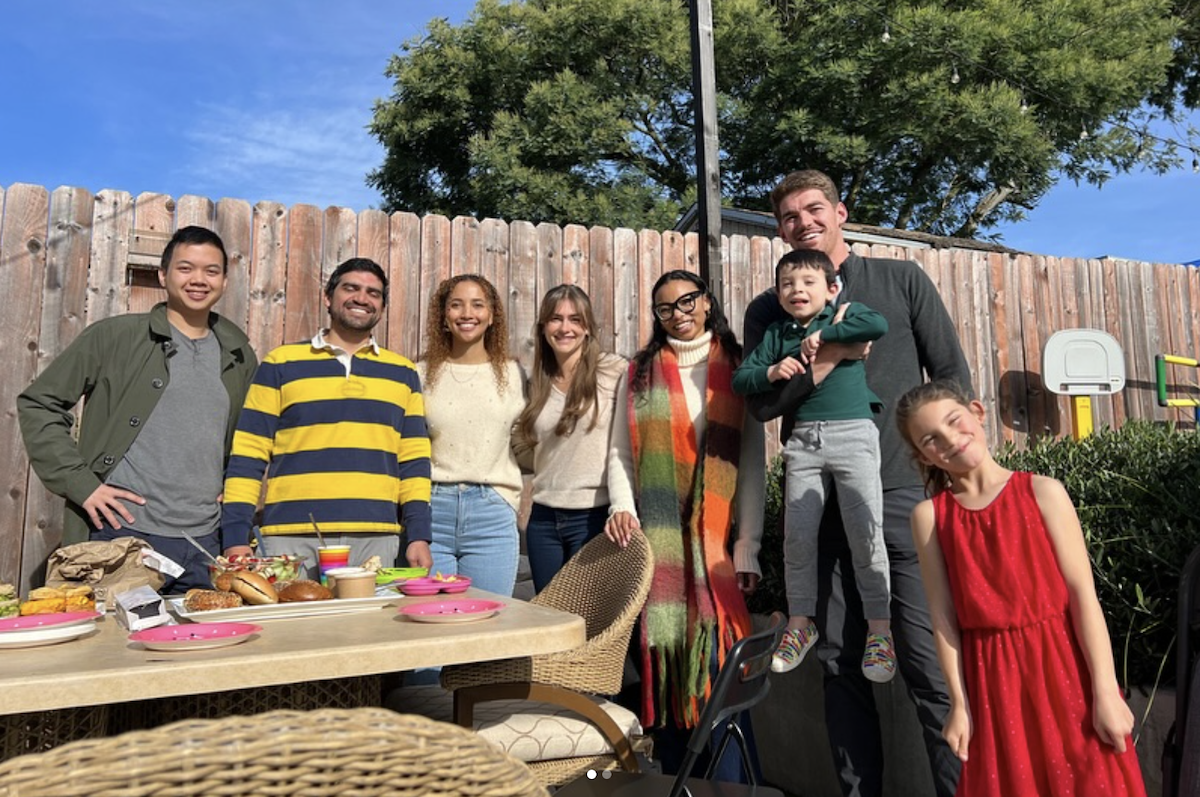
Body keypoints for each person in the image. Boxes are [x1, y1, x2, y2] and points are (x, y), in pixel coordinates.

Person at [742, 169, 971, 797]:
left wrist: (951, 473)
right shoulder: (772, 308)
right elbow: (761, 406)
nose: (802, 222)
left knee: (927, 661)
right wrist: (825, 362)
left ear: (841, 212)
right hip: (818, 497)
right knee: (838, 662)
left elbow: (950, 374)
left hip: (902, 493)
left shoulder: (900, 280)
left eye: (813, 209)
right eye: (788, 217)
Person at [897, 379, 1146, 796]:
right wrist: (959, 704)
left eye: (954, 422)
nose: (950, 441)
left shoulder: (1044, 492)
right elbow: (942, 620)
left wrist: (1105, 690)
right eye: (932, 440)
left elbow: (1083, 597)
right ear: (924, 456)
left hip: (1065, 674)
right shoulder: (929, 517)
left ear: (977, 412)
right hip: (992, 686)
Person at [18, 226, 257, 593]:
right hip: (121, 537)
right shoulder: (115, 337)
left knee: (204, 648)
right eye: (185, 268)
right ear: (163, 275)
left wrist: (235, 489)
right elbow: (39, 404)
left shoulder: (238, 353)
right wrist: (82, 484)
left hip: (207, 542)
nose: (198, 279)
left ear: (224, 281)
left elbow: (247, 439)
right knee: (110, 648)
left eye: (211, 271)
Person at [607, 270, 765, 781]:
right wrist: (620, 506)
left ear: (707, 301)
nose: (679, 313)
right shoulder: (640, 372)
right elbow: (619, 454)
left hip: (717, 547)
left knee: (722, 676)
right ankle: (682, 785)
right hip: (658, 546)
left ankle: (732, 786)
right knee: (670, 664)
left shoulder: (739, 367)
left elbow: (754, 461)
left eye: (688, 300)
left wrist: (749, 543)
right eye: (665, 307)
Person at [733, 249, 893, 681]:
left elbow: (877, 325)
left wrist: (831, 335)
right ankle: (801, 623)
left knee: (866, 532)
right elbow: (741, 378)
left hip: (853, 434)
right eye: (787, 284)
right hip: (803, 442)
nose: (797, 290)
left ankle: (881, 632)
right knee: (797, 538)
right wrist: (773, 371)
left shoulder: (843, 312)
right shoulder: (776, 333)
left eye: (807, 283)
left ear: (831, 287)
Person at [220, 257, 432, 576]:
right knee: (291, 627)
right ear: (327, 297)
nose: (362, 298)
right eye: (351, 288)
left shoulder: (402, 372)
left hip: (376, 537)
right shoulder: (281, 363)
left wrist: (419, 535)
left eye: (373, 293)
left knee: (369, 628)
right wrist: (235, 536)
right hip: (289, 539)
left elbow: (414, 461)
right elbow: (249, 454)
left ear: (383, 307)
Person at [513, 284, 631, 592]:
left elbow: (633, 442)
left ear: (589, 327)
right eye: (555, 319)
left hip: (594, 516)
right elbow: (526, 447)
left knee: (590, 620)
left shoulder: (614, 372)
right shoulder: (535, 382)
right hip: (543, 519)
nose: (565, 327)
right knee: (552, 620)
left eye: (575, 319)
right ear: (543, 328)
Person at [416, 275, 524, 596]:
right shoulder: (419, 374)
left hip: (492, 513)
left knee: (490, 628)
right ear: (443, 316)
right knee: (434, 626)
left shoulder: (515, 375)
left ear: (492, 316)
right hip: (433, 512)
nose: (467, 314)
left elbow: (527, 444)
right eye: (456, 305)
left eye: (478, 305)